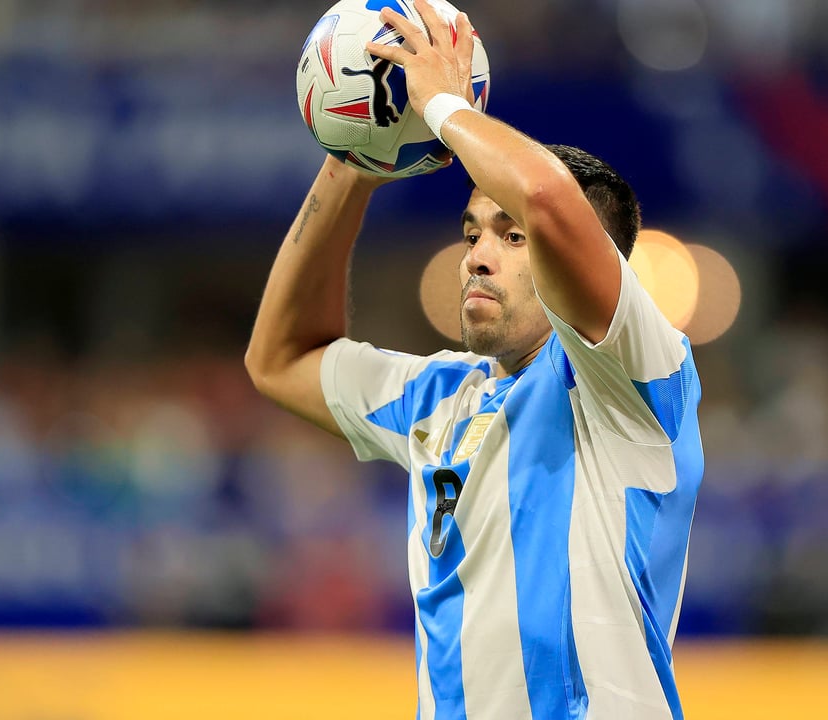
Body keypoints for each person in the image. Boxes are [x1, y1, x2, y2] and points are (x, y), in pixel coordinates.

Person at [246, 1, 703, 717]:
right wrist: (356, 155)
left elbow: (548, 199)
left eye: (511, 237)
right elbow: (279, 358)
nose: (477, 258)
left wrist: (444, 105)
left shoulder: (634, 377)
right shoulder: (437, 398)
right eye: (471, 234)